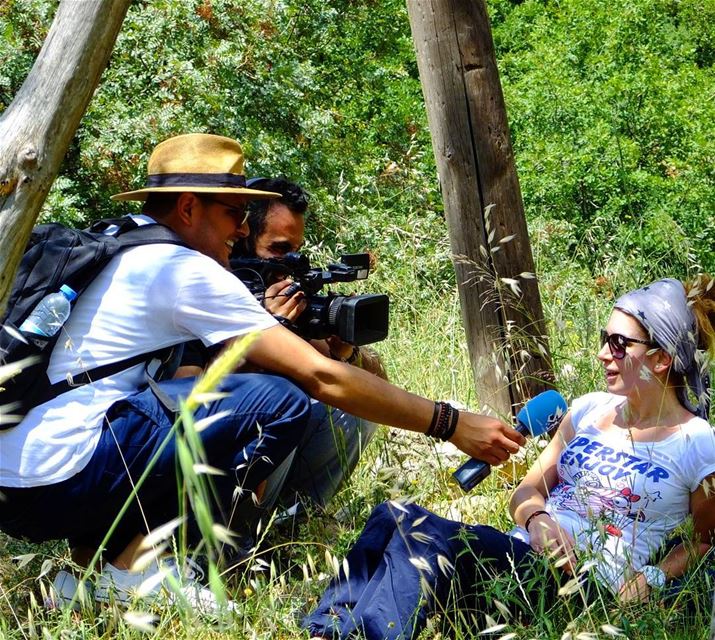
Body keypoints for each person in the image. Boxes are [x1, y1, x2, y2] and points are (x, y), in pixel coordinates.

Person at [0, 133, 524, 611]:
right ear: (188, 207)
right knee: (277, 400)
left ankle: (94, 573)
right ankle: (135, 572)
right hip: (62, 477)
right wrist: (450, 423)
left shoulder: (120, 241)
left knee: (190, 404)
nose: (241, 229)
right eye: (233, 213)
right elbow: (322, 378)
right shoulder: (181, 268)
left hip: (21, 487)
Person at [304, 277, 715, 639]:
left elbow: (706, 539)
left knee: (427, 538)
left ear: (661, 358)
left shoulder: (697, 441)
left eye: (619, 343)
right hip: (522, 555)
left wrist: (652, 578)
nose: (604, 354)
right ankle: (326, 632)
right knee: (391, 515)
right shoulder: (590, 408)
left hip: (584, 583)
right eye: (603, 338)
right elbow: (527, 489)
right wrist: (538, 520)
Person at [178, 176, 385, 515]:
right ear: (243, 239)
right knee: (282, 400)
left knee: (353, 407)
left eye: (295, 250)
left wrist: (345, 351)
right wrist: (264, 332)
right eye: (278, 250)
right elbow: (191, 404)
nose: (288, 264)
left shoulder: (285, 293)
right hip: (193, 469)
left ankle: (293, 526)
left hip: (254, 464)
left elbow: (367, 379)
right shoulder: (204, 292)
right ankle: (239, 531)